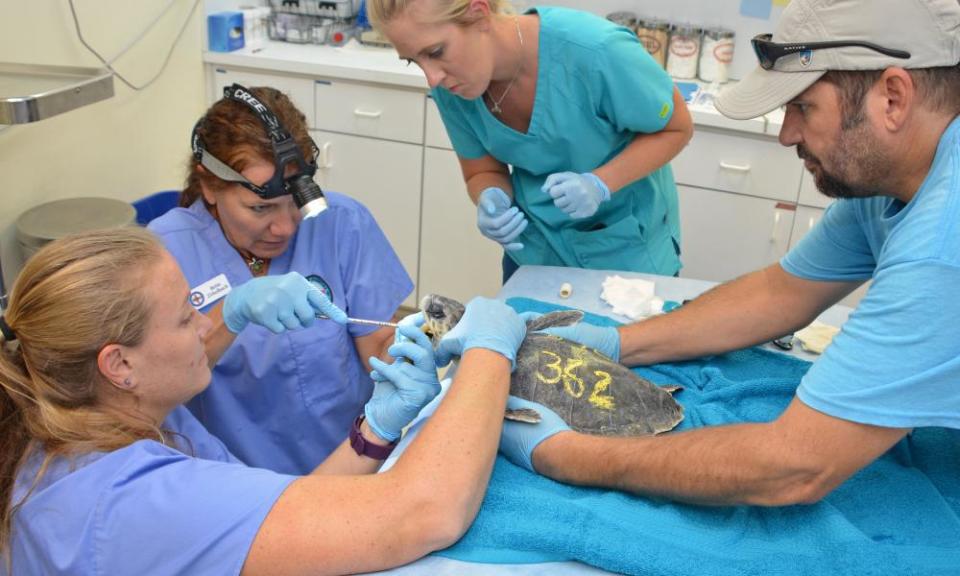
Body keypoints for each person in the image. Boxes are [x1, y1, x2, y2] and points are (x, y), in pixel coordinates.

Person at [495, 0, 960, 506]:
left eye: (803, 107)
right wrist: (614, 343)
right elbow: (782, 292)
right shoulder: (890, 180)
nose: (787, 135)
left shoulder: (943, 240)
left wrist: (563, 455)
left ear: (893, 98)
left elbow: (793, 468)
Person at [0, 227, 527, 574]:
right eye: (186, 317)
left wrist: (376, 428)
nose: (209, 323)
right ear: (119, 366)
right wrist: (489, 348)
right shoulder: (130, 499)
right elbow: (425, 514)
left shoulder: (102, 421)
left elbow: (277, 524)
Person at [149, 86, 414, 474]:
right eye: (260, 208)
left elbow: (377, 341)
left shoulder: (339, 222)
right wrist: (232, 313)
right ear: (209, 186)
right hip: (234, 483)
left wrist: (413, 357)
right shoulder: (163, 254)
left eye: (296, 202)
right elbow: (155, 389)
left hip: (354, 457)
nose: (285, 227)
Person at [367, 0, 694, 282]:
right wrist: (490, 198)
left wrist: (600, 183)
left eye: (436, 52)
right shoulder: (453, 89)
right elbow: (481, 171)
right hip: (535, 254)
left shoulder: (595, 51)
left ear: (479, 13)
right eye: (414, 60)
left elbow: (676, 129)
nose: (432, 77)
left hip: (626, 250)